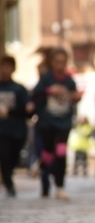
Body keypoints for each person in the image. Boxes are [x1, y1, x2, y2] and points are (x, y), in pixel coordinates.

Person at [31, 47, 82, 199]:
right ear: (52, 62)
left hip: (64, 122)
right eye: (57, 61)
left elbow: (74, 98)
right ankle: (41, 165)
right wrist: (50, 90)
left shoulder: (70, 80)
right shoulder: (46, 77)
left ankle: (60, 186)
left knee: (61, 152)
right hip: (47, 122)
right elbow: (35, 94)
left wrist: (75, 97)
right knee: (48, 153)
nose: (60, 64)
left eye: (63, 61)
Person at [0, 55, 34, 197]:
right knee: (4, 157)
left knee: (13, 158)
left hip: (17, 130)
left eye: (9, 66)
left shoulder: (19, 88)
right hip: (2, 130)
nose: (5, 70)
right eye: (3, 66)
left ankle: (8, 177)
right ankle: (9, 185)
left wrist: (11, 111)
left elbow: (27, 110)